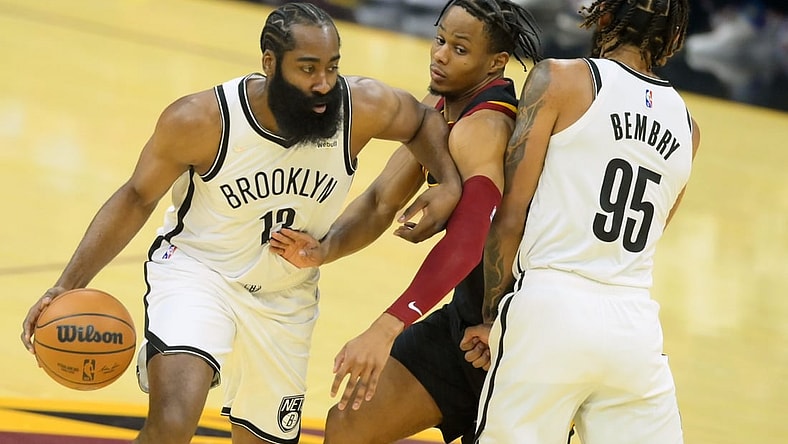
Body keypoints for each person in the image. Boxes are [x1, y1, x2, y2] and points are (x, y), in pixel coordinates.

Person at [19, 3, 463, 444]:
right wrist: (66, 284)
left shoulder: (360, 105)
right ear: (270, 63)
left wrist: (445, 179)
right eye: (307, 69)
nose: (324, 84)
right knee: (174, 422)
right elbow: (136, 197)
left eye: (332, 67)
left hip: (285, 294)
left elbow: (423, 119)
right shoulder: (201, 120)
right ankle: (177, 351)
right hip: (198, 272)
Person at [269, 1, 541, 442]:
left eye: (459, 49)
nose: (440, 55)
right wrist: (325, 247)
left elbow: (471, 243)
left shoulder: (486, 125)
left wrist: (386, 326)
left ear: (496, 63)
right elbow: (381, 200)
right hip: (466, 325)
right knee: (349, 425)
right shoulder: (437, 105)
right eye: (439, 41)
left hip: (516, 339)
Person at [464, 0, 701, 442]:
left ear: (604, 17)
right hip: (634, 327)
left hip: (551, 308)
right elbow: (651, 237)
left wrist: (494, 315)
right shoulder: (689, 128)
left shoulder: (560, 78)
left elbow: (511, 214)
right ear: (674, 36)